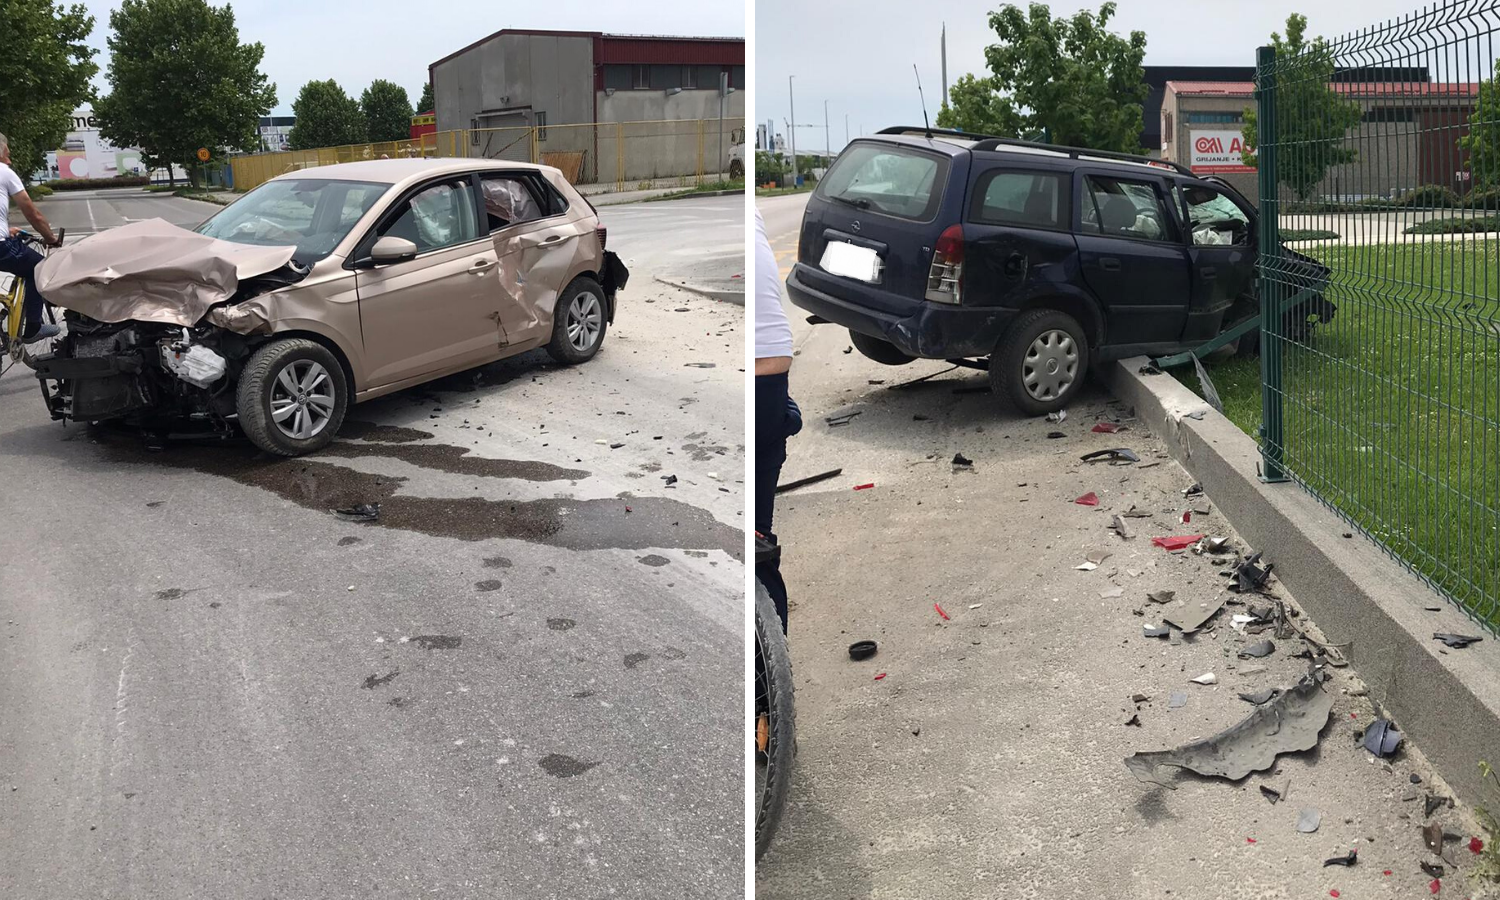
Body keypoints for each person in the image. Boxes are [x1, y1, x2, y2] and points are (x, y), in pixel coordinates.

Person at [754, 208, 799, 632]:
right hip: (773, 380)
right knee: (759, 535)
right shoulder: (754, 221)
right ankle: (769, 685)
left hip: (756, 379)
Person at [0, 132, 62, 343]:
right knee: (38, 268)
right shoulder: (4, 172)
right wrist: (51, 238)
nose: (10, 158)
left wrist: (6, 230)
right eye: (7, 152)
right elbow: (32, 212)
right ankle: (34, 327)